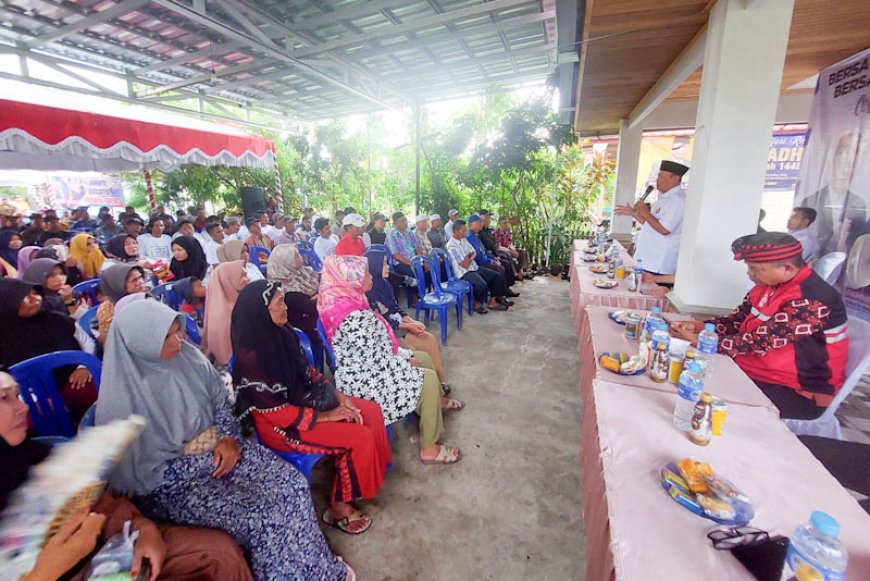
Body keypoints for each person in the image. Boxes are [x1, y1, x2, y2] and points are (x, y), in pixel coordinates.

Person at [95, 300, 352, 580]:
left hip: (225, 449)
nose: (178, 339)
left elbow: (219, 401)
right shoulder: (122, 406)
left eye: (177, 330)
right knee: (263, 516)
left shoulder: (188, 359)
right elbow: (149, 476)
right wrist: (209, 456)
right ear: (140, 345)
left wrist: (228, 438)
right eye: (167, 337)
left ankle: (316, 568)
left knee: (292, 485)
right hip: (178, 485)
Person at [0, 371, 256, 581]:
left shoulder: (33, 457)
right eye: (4, 398)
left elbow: (103, 505)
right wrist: (47, 571)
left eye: (17, 395)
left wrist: (143, 529)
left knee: (220, 552)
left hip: (109, 549)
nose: (22, 407)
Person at [232, 281, 391, 535]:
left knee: (369, 411)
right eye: (279, 303)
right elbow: (278, 414)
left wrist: (338, 396)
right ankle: (337, 506)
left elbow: (310, 373)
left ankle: (365, 477)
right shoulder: (252, 358)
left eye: (283, 301)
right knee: (358, 437)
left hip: (305, 401)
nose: (286, 308)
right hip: (281, 426)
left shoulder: (284, 334)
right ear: (263, 312)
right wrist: (329, 416)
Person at [671, 233, 849, 420]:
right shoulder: (767, 285)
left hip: (796, 392)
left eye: (755, 268)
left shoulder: (811, 301)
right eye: (749, 267)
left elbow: (759, 342)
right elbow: (736, 320)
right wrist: (699, 327)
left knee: (699, 399)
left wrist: (700, 341)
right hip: (756, 371)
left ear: (787, 268)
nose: (750, 273)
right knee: (684, 377)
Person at [318, 256, 463, 465]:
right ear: (352, 280)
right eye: (365, 274)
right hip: (366, 380)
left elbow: (376, 349)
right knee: (428, 378)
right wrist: (404, 362)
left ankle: (436, 404)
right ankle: (429, 449)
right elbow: (375, 361)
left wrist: (405, 357)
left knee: (422, 357)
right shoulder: (353, 318)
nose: (369, 277)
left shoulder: (347, 300)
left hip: (369, 365)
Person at [0, 279, 96, 422]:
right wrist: (30, 397)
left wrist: (83, 366)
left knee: (94, 395)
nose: (35, 299)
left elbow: (86, 342)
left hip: (71, 380)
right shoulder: (4, 336)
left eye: (36, 293)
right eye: (25, 297)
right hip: (28, 395)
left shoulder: (57, 320)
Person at [366, 250, 450, 389]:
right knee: (415, 352)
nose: (388, 267)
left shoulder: (384, 284)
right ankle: (424, 389)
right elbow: (384, 322)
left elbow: (395, 308)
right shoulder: (368, 293)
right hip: (388, 334)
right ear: (374, 266)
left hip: (399, 326)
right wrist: (408, 326)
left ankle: (440, 382)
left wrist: (411, 321)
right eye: (385, 264)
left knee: (430, 340)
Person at [614, 159, 689, 279]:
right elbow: (650, 223)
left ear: (675, 178)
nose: (657, 180)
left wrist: (644, 212)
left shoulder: (678, 200)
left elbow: (665, 229)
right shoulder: (664, 198)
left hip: (659, 263)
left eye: (661, 177)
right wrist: (633, 213)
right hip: (647, 258)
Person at [799, 132, 868, 253]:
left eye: (853, 162)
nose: (846, 168)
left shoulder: (859, 204)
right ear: (833, 160)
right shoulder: (812, 200)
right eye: (842, 159)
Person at [267, 244, 323, 361]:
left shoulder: (300, 273)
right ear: (286, 261)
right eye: (296, 256)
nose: (300, 257)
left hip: (311, 315)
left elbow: (321, 279)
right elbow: (311, 307)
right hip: (302, 326)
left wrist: (318, 295)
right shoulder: (285, 289)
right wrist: (321, 295)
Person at [446, 220, 508, 313]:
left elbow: (473, 252)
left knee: (496, 276)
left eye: (465, 230)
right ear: (455, 231)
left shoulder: (463, 239)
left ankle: (492, 302)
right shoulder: (451, 246)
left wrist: (468, 258)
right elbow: (464, 265)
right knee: (482, 285)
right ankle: (476, 303)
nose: (465, 233)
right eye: (463, 231)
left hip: (473, 267)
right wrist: (469, 258)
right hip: (463, 272)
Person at [203, 260, 249, 366]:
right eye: (242, 276)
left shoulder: (234, 304)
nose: (247, 279)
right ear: (227, 280)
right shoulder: (226, 317)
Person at [97, 264, 148, 345]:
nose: (140, 282)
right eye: (134, 280)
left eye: (140, 277)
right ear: (118, 285)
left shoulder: (146, 297)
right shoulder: (108, 310)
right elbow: (111, 343)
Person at [467, 214, 516, 294]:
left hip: (486, 258)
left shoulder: (476, 236)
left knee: (504, 263)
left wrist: (493, 258)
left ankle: (505, 291)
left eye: (481, 222)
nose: (481, 224)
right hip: (478, 263)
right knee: (500, 269)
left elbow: (484, 251)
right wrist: (491, 261)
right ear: (470, 224)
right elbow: (478, 256)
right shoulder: (469, 237)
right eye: (478, 222)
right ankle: (498, 297)